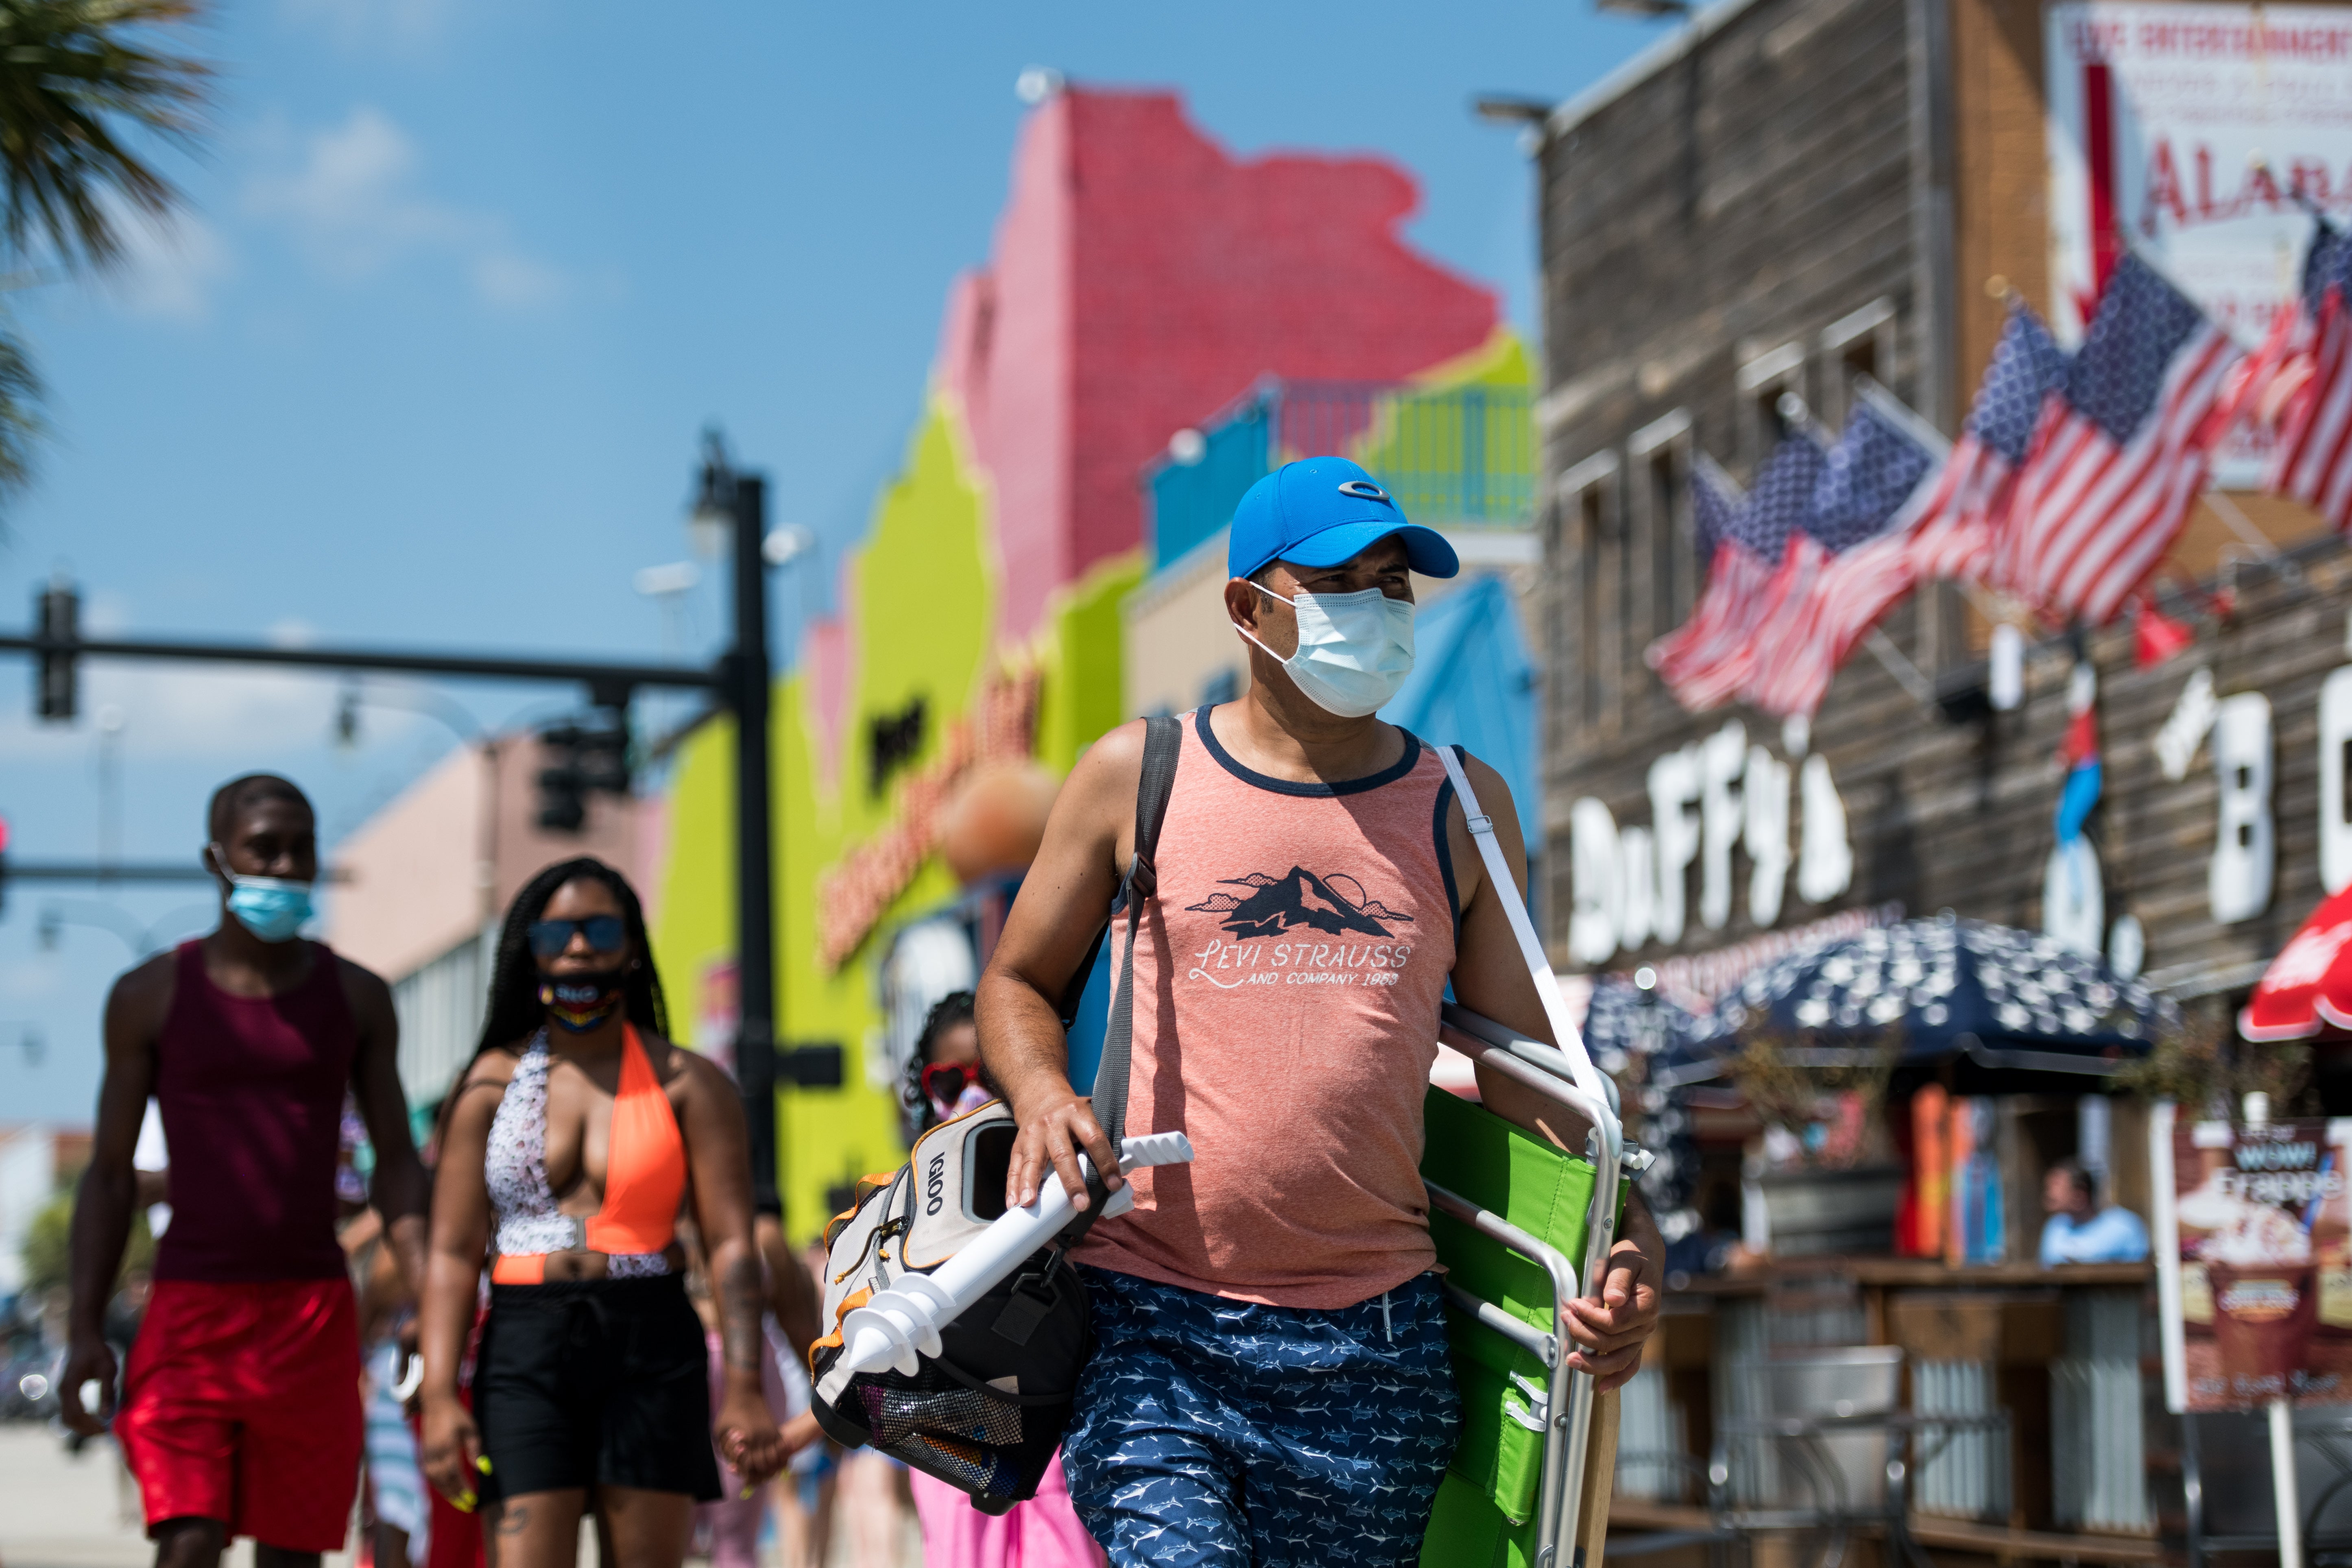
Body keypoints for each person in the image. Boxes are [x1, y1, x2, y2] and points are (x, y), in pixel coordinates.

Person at [978, 457, 1666, 1567]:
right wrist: (1044, 1090)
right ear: (1248, 607)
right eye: (1338, 582)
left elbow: (1530, 1069)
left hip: (1376, 1349)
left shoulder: (1463, 807)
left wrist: (1631, 1237)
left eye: (1391, 582)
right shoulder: (1134, 774)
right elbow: (1014, 981)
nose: (1376, 610)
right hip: (1154, 1322)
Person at [62, 773, 431, 1568]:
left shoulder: (359, 997)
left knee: (293, 1554)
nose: (286, 864)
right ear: (216, 858)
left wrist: (430, 1302)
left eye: (302, 848)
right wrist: (85, 1328)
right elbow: (111, 1176)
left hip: (313, 1314)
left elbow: (397, 1166)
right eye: (265, 847)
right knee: (188, 1540)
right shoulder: (150, 994)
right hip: (190, 1312)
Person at [416, 857, 786, 1568]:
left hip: (651, 1338)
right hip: (524, 1347)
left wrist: (742, 1387)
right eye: (558, 931)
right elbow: (454, 1252)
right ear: (530, 946)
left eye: (599, 928)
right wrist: (438, 1395)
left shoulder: (691, 1084)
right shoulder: (488, 1085)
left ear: (632, 946)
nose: (579, 947)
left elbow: (732, 1247)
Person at [899, 992, 1106, 1568]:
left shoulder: (1073, 1182)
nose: (971, 1094)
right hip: (950, 1442)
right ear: (926, 1089)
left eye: (988, 1076)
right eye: (950, 1079)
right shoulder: (911, 1208)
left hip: (1053, 1439)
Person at [2039, 1158, 2149, 1265]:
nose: (2049, 1194)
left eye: (2056, 1185)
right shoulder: (2055, 1226)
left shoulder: (2126, 1227)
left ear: (2079, 1195)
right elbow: (2045, 1271)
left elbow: (2142, 1274)